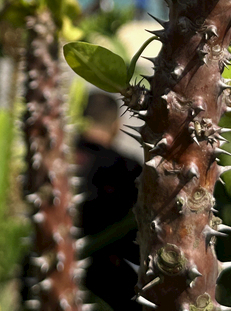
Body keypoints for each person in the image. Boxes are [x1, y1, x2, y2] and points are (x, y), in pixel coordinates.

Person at [75, 91, 142, 310]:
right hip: (107, 280)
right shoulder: (128, 168)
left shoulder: (56, 160)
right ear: (116, 125)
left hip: (50, 269)